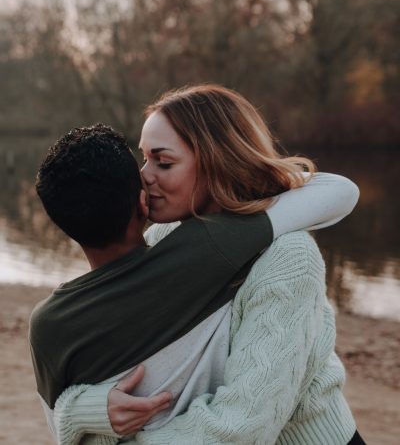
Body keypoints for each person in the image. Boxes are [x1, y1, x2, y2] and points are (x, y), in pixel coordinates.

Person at [32, 86, 362, 444]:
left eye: (164, 162)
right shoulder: (163, 237)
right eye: (144, 159)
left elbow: (242, 427)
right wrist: (92, 409)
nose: (143, 177)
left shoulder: (288, 256)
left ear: (217, 162)